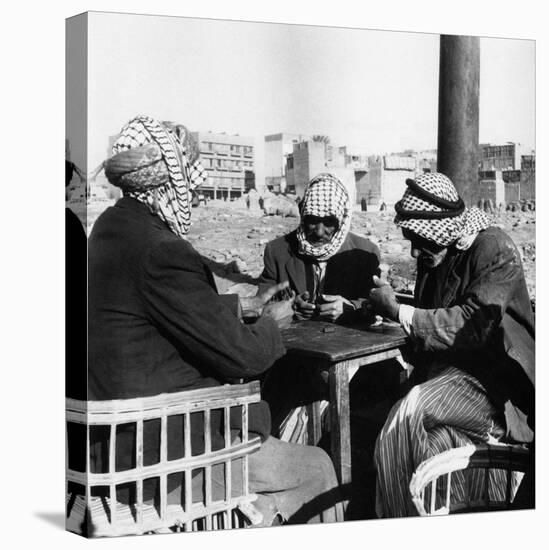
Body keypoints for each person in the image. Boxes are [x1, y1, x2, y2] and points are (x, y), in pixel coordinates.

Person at [87, 115, 343, 527]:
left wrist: (245, 306)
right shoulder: (162, 249)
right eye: (189, 180)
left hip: (116, 442)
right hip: (169, 454)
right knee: (315, 466)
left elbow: (161, 311)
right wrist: (272, 323)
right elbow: (243, 358)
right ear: (170, 182)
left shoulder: (110, 228)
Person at [368, 173, 535, 517]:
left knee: (406, 415)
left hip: (498, 388)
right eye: (411, 239)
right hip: (454, 380)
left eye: (419, 240)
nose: (414, 250)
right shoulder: (435, 254)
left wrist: (398, 311)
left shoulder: (493, 247)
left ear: (442, 230)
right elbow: (429, 315)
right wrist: (366, 310)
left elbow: (469, 325)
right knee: (432, 446)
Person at [258, 173, 382, 444]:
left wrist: (349, 307)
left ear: (343, 218)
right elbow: (262, 305)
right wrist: (289, 307)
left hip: (349, 367)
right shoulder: (278, 251)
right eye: (312, 221)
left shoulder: (365, 252)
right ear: (302, 214)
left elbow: (376, 304)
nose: (319, 231)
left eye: (329, 223)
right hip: (292, 365)